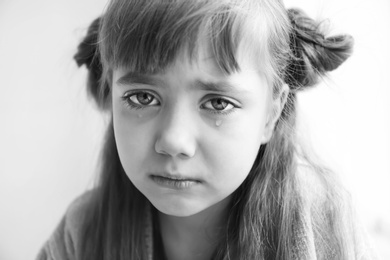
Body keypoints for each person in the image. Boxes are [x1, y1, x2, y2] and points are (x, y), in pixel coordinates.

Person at [36, 0, 376, 259]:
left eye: (218, 103)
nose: (174, 141)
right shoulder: (81, 232)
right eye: (142, 97)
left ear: (271, 114)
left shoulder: (319, 218)